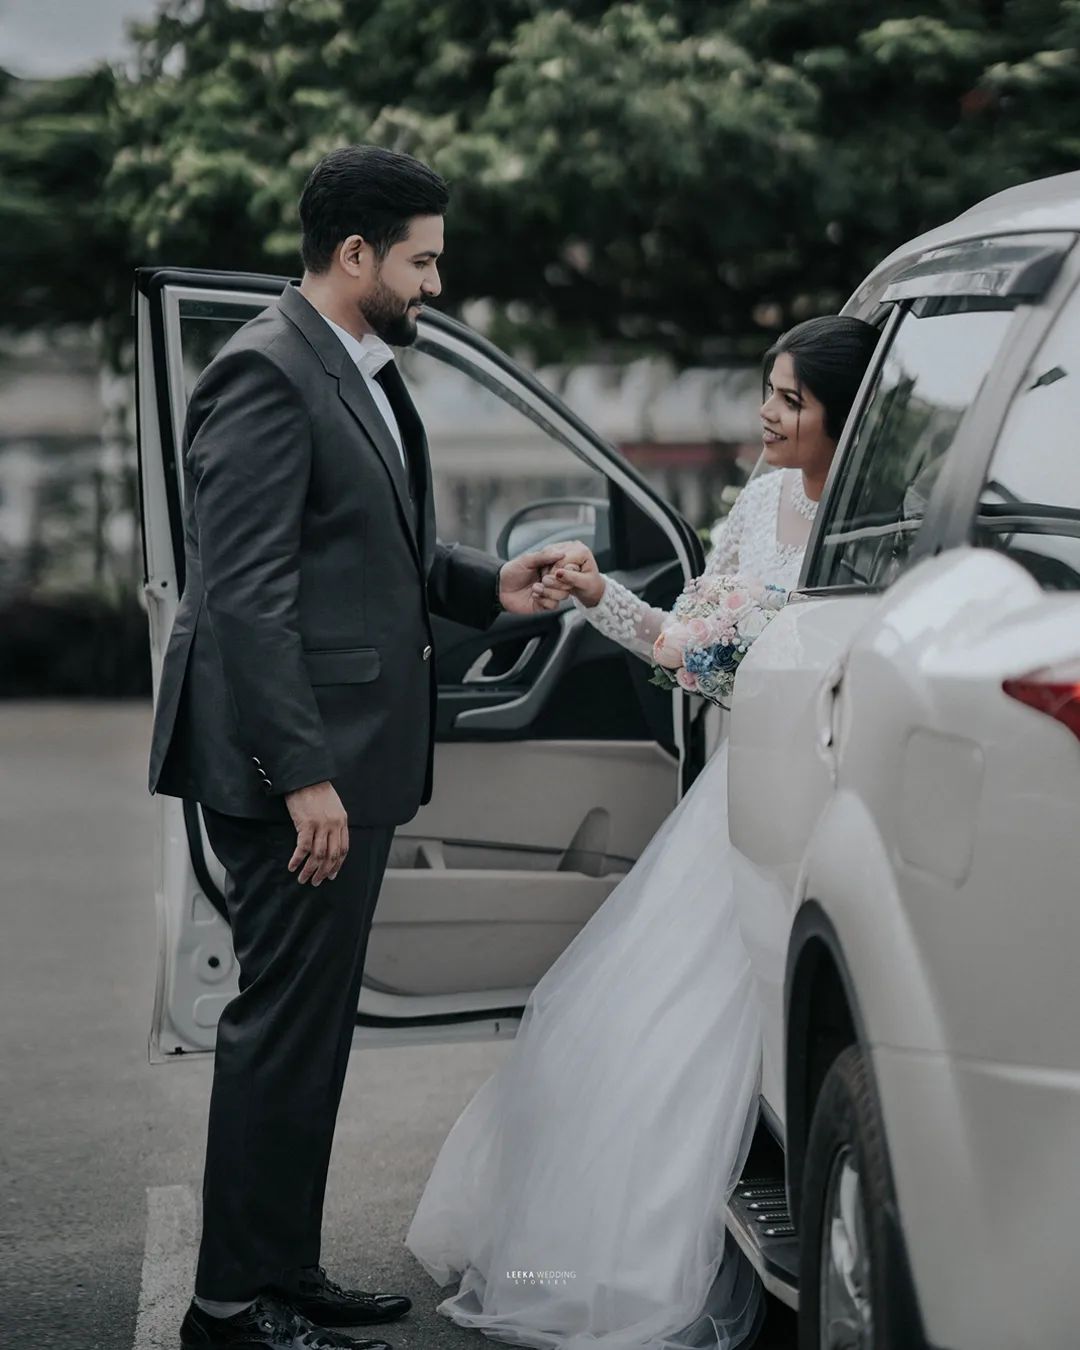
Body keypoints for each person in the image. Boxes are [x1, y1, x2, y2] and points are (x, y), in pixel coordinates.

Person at [147, 145, 575, 1350]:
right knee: (279, 1032)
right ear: (355, 256)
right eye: (422, 260)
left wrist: (504, 584)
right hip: (289, 771)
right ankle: (231, 1306)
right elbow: (246, 595)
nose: (435, 283)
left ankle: (282, 1272)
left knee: (310, 1033)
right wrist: (307, 775)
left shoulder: (359, 372)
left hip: (330, 761)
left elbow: (378, 558)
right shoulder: (267, 373)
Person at [405, 315, 882, 1350]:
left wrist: (714, 650)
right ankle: (593, 1267)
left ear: (842, 420)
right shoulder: (759, 505)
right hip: (744, 793)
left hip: (829, 784)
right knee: (644, 1036)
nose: (766, 412)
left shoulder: (880, 529)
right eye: (768, 389)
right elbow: (688, 643)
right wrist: (596, 596)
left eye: (792, 400)